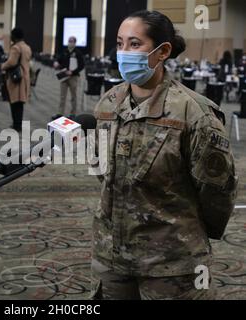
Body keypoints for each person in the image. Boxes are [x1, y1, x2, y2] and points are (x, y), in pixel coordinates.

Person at [90, 10, 237, 300]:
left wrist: (188, 230)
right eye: (120, 44)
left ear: (163, 51)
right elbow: (105, 172)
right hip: (113, 255)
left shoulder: (194, 112)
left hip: (171, 262)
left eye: (135, 44)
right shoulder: (108, 103)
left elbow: (218, 190)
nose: (124, 53)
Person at [1, 28, 32, 132]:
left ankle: (16, 124)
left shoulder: (16, 48)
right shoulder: (27, 47)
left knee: (14, 102)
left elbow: (11, 62)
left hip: (16, 79)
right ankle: (18, 123)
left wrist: (2, 66)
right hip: (25, 77)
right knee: (20, 103)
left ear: (14, 36)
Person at [54, 36, 85, 117]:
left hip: (73, 77)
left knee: (73, 96)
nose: (70, 43)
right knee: (62, 96)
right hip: (64, 76)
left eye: (71, 41)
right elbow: (58, 60)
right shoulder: (64, 51)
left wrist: (73, 72)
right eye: (69, 41)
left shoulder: (78, 53)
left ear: (74, 43)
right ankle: (60, 113)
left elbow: (82, 65)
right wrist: (56, 62)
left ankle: (72, 114)